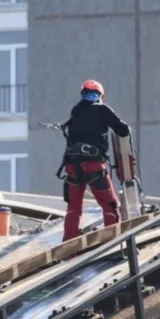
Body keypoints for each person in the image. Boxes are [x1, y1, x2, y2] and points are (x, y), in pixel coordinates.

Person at [58, 79, 131, 241]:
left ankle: (69, 249)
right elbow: (123, 130)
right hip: (92, 165)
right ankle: (111, 244)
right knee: (109, 204)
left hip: (72, 165)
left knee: (74, 208)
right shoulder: (102, 109)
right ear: (100, 95)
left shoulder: (76, 111)